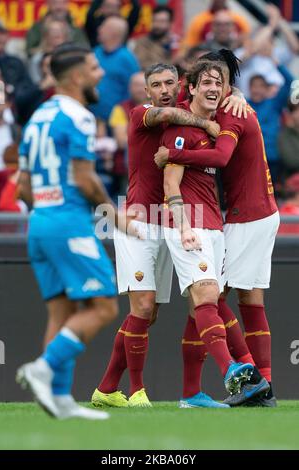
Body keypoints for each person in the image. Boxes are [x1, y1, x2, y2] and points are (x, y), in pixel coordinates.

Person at [91, 62, 247, 409]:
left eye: (168, 83)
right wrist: (206, 122)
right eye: (156, 84)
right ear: (147, 91)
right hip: (137, 218)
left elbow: (210, 89)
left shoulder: (182, 114)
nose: (162, 89)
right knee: (143, 307)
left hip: (169, 221)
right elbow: (168, 115)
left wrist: (234, 94)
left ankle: (105, 389)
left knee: (155, 311)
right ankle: (138, 391)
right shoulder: (140, 113)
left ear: (179, 85)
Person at [16, 43, 140, 420]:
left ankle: (60, 399)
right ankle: (43, 367)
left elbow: (23, 186)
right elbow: (86, 181)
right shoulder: (80, 116)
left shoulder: (39, 116)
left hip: (40, 224)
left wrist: (49, 215)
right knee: (103, 306)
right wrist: (115, 216)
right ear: (76, 76)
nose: (100, 73)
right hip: (69, 222)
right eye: (93, 67)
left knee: (63, 312)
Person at [155, 50, 279, 407]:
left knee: (213, 301)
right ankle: (247, 377)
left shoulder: (227, 115)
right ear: (190, 87)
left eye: (220, 82)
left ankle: (246, 379)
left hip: (237, 217)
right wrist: (181, 224)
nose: (213, 88)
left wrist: (178, 154)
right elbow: (171, 184)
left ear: (228, 88)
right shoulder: (187, 123)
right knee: (221, 299)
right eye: (205, 81)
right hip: (219, 218)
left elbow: (221, 158)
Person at [132, 6, 179, 70]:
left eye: (162, 21)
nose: (157, 25)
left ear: (170, 23)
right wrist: (172, 63)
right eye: (155, 21)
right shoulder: (143, 43)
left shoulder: (178, 42)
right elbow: (141, 65)